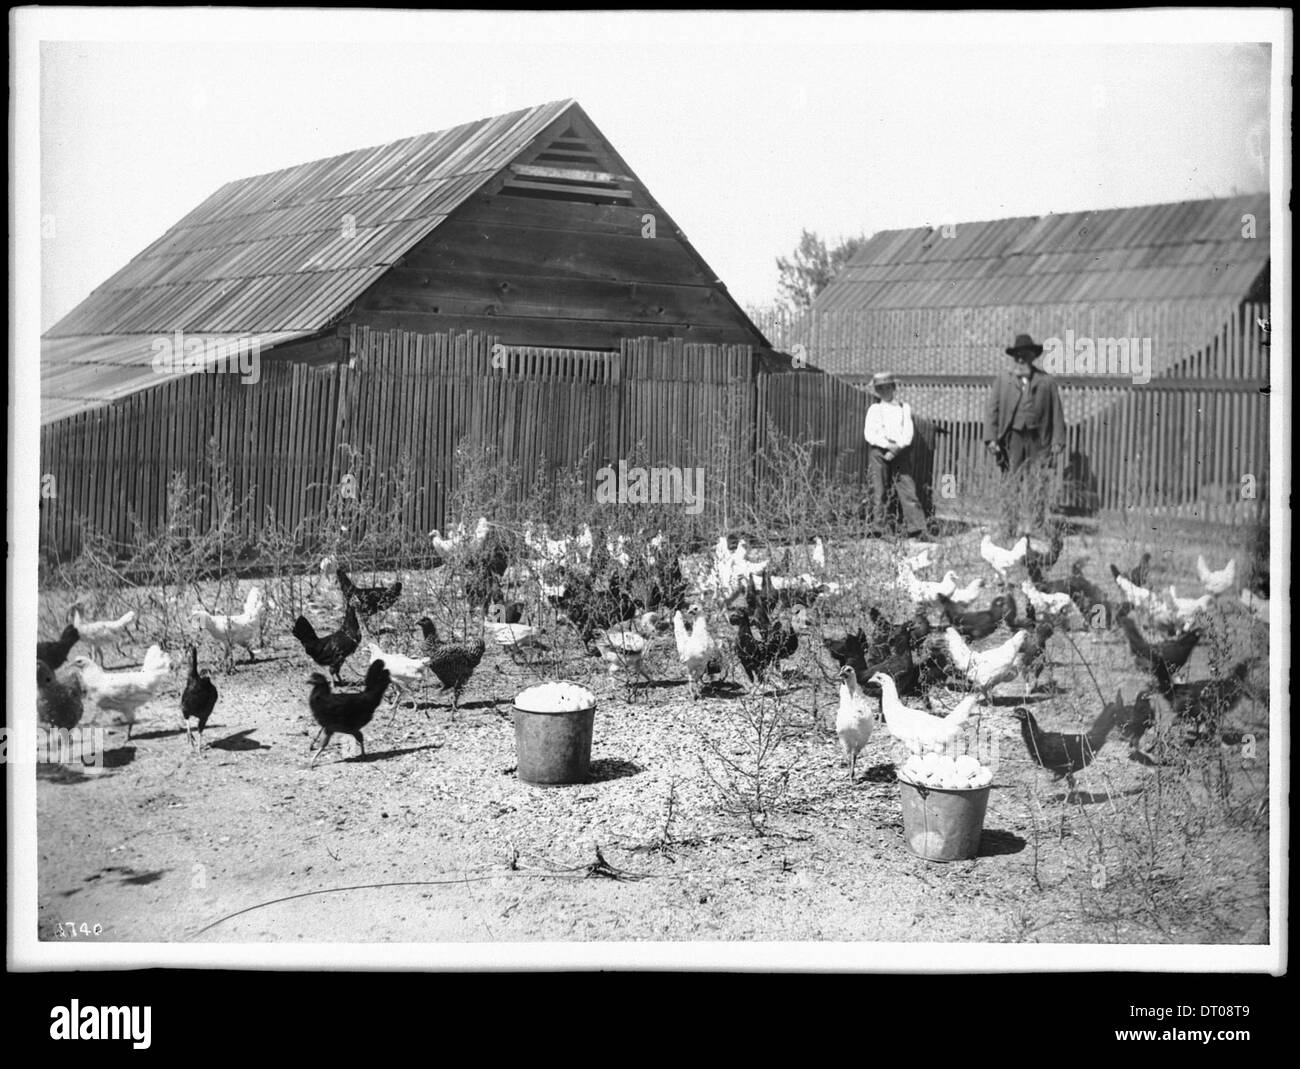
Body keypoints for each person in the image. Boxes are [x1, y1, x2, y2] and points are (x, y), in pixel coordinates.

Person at [983, 333, 1067, 473]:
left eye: (1025, 356)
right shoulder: (1004, 380)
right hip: (1012, 438)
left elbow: (1057, 413)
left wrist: (1057, 440)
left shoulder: (1046, 381)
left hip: (1038, 439)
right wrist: (991, 438)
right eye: (1017, 357)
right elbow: (992, 411)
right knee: (1011, 477)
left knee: (1037, 477)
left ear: (1033, 357)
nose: (1021, 360)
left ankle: (1034, 496)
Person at [863, 371, 928, 538]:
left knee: (907, 489)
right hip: (879, 452)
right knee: (880, 490)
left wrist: (896, 449)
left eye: (887, 387)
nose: (884, 391)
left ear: (894, 387)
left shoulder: (903, 408)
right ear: (877, 391)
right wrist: (887, 447)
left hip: (900, 452)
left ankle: (918, 529)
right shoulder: (875, 409)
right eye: (880, 388)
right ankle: (881, 530)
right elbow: (870, 434)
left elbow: (908, 434)